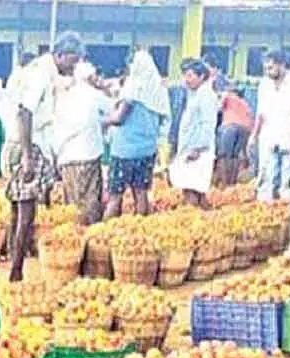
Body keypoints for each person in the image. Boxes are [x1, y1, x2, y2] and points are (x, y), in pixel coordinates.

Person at [6, 33, 81, 281]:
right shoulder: (39, 75)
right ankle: (16, 270)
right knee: (26, 213)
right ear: (59, 55)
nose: (74, 66)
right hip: (30, 146)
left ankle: (14, 265)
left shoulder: (39, 72)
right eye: (72, 60)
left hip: (24, 143)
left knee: (18, 211)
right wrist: (28, 156)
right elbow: (23, 113)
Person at [105, 50, 169, 218]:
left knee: (115, 195)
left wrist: (102, 122)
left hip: (125, 150)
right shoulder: (157, 89)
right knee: (140, 193)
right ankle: (140, 227)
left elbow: (119, 118)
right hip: (147, 149)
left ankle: (107, 232)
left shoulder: (133, 86)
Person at [55, 61, 111, 226]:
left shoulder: (65, 95)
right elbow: (113, 108)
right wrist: (105, 89)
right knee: (90, 200)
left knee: (71, 202)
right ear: (89, 78)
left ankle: (72, 236)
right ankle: (90, 237)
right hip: (88, 155)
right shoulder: (93, 94)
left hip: (67, 157)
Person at [253, 50, 290, 202]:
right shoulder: (264, 85)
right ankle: (265, 215)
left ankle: (287, 216)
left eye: (271, 67)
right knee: (265, 178)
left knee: (289, 180)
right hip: (268, 137)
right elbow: (260, 113)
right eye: (266, 68)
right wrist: (254, 135)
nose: (268, 71)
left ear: (282, 65)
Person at [171, 59, 220, 208]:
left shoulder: (206, 95)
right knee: (195, 191)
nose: (186, 80)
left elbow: (208, 124)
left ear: (201, 76)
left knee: (190, 189)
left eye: (190, 76)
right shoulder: (197, 94)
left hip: (197, 150)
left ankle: (194, 219)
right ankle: (206, 221)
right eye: (185, 75)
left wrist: (197, 148)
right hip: (191, 147)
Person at [216, 87, 254, 186]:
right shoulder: (246, 104)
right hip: (245, 129)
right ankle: (232, 184)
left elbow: (217, 106)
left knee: (224, 156)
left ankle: (225, 185)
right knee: (234, 156)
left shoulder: (228, 96)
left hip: (230, 126)